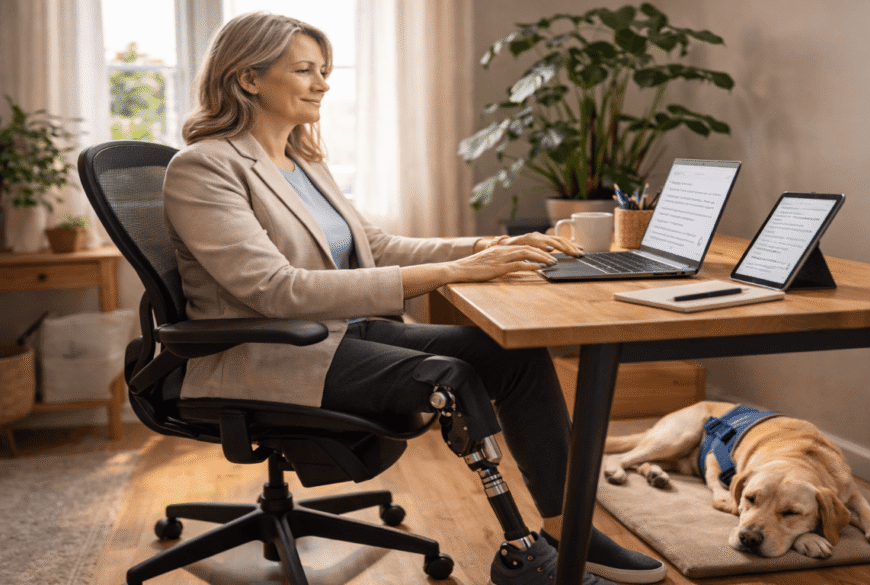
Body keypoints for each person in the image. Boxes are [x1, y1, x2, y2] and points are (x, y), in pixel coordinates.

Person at [163, 11, 666, 585]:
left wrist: (487, 245)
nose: (323, 83)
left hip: (338, 334)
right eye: (304, 70)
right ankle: (524, 556)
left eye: (323, 70)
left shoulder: (303, 160)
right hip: (265, 352)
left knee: (515, 356)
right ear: (248, 78)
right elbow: (277, 289)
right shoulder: (203, 168)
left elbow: (374, 245)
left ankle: (568, 530)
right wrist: (459, 270)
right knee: (453, 373)